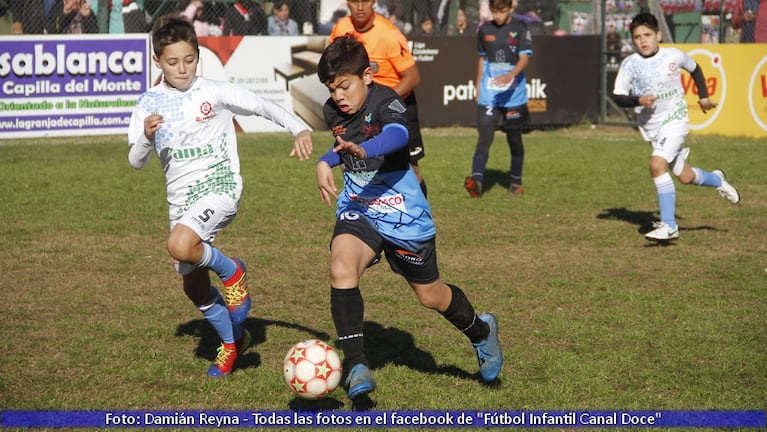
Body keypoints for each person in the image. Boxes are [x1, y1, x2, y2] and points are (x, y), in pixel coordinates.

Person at [314, 36, 503, 402]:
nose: (338, 96)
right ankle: (355, 365)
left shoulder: (387, 100)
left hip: (404, 212)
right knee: (341, 266)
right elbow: (341, 147)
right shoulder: (332, 111)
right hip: (360, 207)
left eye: (345, 85)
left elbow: (397, 135)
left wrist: (364, 149)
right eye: (331, 88)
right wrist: (327, 161)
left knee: (431, 296)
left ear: (367, 76)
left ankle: (481, 332)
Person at [127, 15, 314, 376]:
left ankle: (233, 273)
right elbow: (135, 161)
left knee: (179, 245)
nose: (182, 68)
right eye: (172, 62)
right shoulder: (148, 104)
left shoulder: (213, 91)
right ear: (157, 61)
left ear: (198, 55)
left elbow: (261, 104)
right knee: (194, 289)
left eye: (189, 59)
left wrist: (299, 127)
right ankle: (233, 343)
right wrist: (147, 138)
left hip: (220, 186)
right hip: (181, 201)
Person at [612, 12, 740, 241]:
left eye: (648, 35)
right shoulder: (630, 64)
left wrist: (703, 97)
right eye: (637, 37)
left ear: (658, 35)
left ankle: (669, 226)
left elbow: (695, 69)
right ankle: (718, 180)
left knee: (656, 166)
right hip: (653, 128)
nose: (643, 40)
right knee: (686, 176)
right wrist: (637, 100)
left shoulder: (673, 55)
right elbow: (619, 96)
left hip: (676, 120)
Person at [330, 0, 429, 197]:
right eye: (354, 2)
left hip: (397, 106)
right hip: (359, 109)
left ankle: (420, 215)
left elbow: (413, 77)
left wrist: (381, 104)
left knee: (410, 169)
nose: (360, 7)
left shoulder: (389, 34)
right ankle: (367, 213)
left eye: (365, 1)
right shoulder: (340, 28)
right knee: (351, 161)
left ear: (374, 2)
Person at [464, 0, 532, 198]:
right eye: (494, 11)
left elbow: (525, 58)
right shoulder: (484, 29)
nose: (497, 16)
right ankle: (476, 182)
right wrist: (478, 85)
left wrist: (511, 76)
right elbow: (482, 58)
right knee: (485, 137)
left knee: (514, 139)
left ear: (511, 8)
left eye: (501, 11)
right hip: (489, 95)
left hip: (514, 95)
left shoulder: (520, 27)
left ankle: (515, 183)